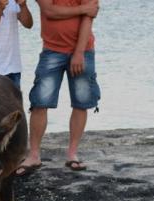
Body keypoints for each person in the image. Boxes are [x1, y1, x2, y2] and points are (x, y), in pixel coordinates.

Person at [17, 0, 100, 175]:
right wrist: (83, 8)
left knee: (81, 102)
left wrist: (78, 53)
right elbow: (49, 11)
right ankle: (34, 155)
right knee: (40, 101)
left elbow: (88, 18)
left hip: (83, 50)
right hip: (52, 50)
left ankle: (72, 154)